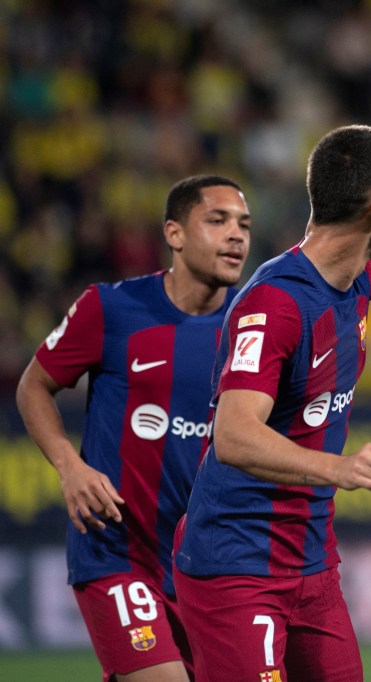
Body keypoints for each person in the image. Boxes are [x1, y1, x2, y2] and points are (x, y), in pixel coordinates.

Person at [172, 125, 371, 682]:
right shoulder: (276, 303)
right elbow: (235, 434)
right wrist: (336, 468)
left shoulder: (352, 281)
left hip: (312, 564)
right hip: (237, 565)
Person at [15, 175, 252, 681]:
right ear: (175, 234)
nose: (236, 234)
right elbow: (33, 386)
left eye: (243, 224)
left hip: (207, 565)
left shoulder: (252, 326)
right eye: (218, 220)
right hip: (117, 552)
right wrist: (68, 465)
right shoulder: (111, 308)